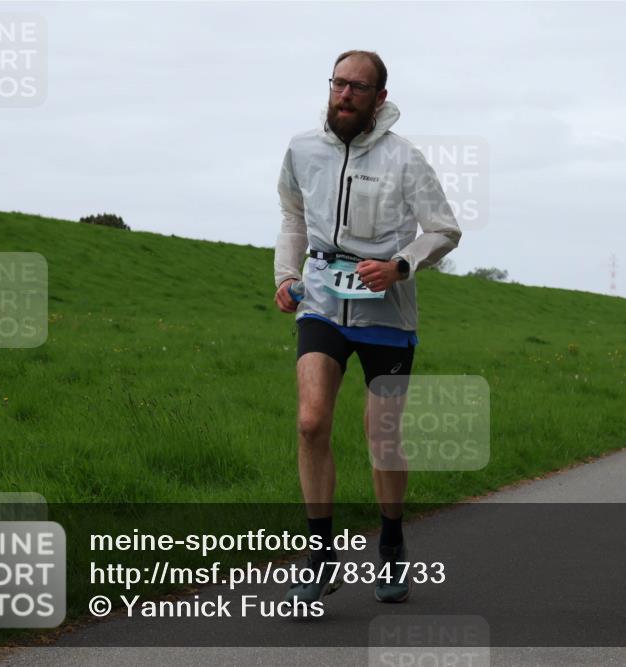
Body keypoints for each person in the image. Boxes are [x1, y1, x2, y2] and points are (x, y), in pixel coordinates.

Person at [273, 50, 461, 607]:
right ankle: (320, 556)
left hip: (387, 311)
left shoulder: (405, 159)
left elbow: (444, 230)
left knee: (382, 436)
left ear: (379, 98)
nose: (345, 94)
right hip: (321, 302)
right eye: (338, 83)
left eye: (358, 87)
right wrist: (286, 275)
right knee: (311, 422)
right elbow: (292, 216)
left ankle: (393, 542)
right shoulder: (302, 149)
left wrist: (400, 265)